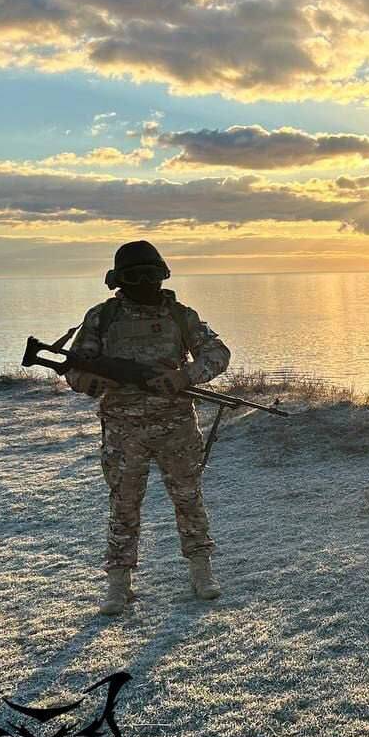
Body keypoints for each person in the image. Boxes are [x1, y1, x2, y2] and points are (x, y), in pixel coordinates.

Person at [67, 241, 232, 616]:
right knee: (123, 505)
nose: (145, 283)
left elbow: (217, 353)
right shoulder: (102, 318)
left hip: (176, 427)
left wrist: (185, 376)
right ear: (119, 280)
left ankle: (201, 570)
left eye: (152, 275)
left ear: (162, 275)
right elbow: (76, 367)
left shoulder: (180, 316)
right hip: (122, 430)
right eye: (136, 276)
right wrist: (85, 381)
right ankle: (119, 583)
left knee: (188, 499)